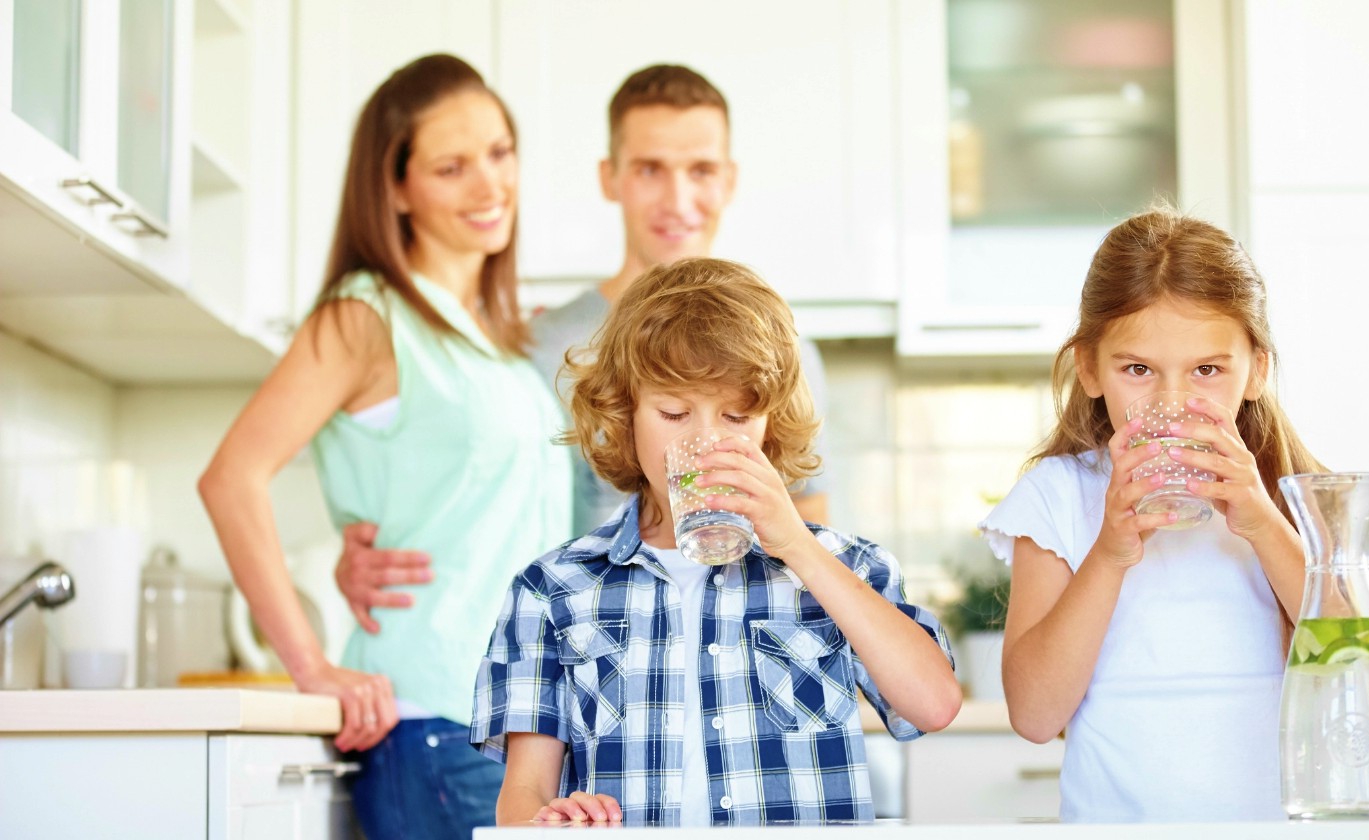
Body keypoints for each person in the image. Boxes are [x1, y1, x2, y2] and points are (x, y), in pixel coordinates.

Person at [197, 54, 571, 839]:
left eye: (500, 153)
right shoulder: (364, 315)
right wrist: (311, 663)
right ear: (395, 188)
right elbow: (231, 479)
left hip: (514, 731)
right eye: (451, 166)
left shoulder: (489, 338)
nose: (489, 185)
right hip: (436, 727)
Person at [332, 66, 835, 622]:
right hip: (580, 660)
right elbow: (473, 501)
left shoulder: (783, 350)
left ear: (730, 180)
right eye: (649, 169)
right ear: (609, 177)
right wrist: (358, 556)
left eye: (701, 169)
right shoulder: (535, 346)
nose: (677, 198)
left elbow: (807, 536)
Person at [471, 258, 961, 826]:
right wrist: (551, 821)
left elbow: (934, 705)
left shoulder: (843, 568)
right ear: (624, 411)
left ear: (770, 426)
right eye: (674, 412)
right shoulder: (553, 590)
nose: (705, 443)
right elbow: (522, 794)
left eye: (735, 416)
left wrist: (799, 546)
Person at [978, 206, 1324, 822]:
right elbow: (1033, 716)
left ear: (1257, 370)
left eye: (1208, 370)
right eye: (1138, 369)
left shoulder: (1296, 495)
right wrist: (1110, 553)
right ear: (1088, 367)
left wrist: (1264, 524)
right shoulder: (1058, 498)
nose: (1172, 402)